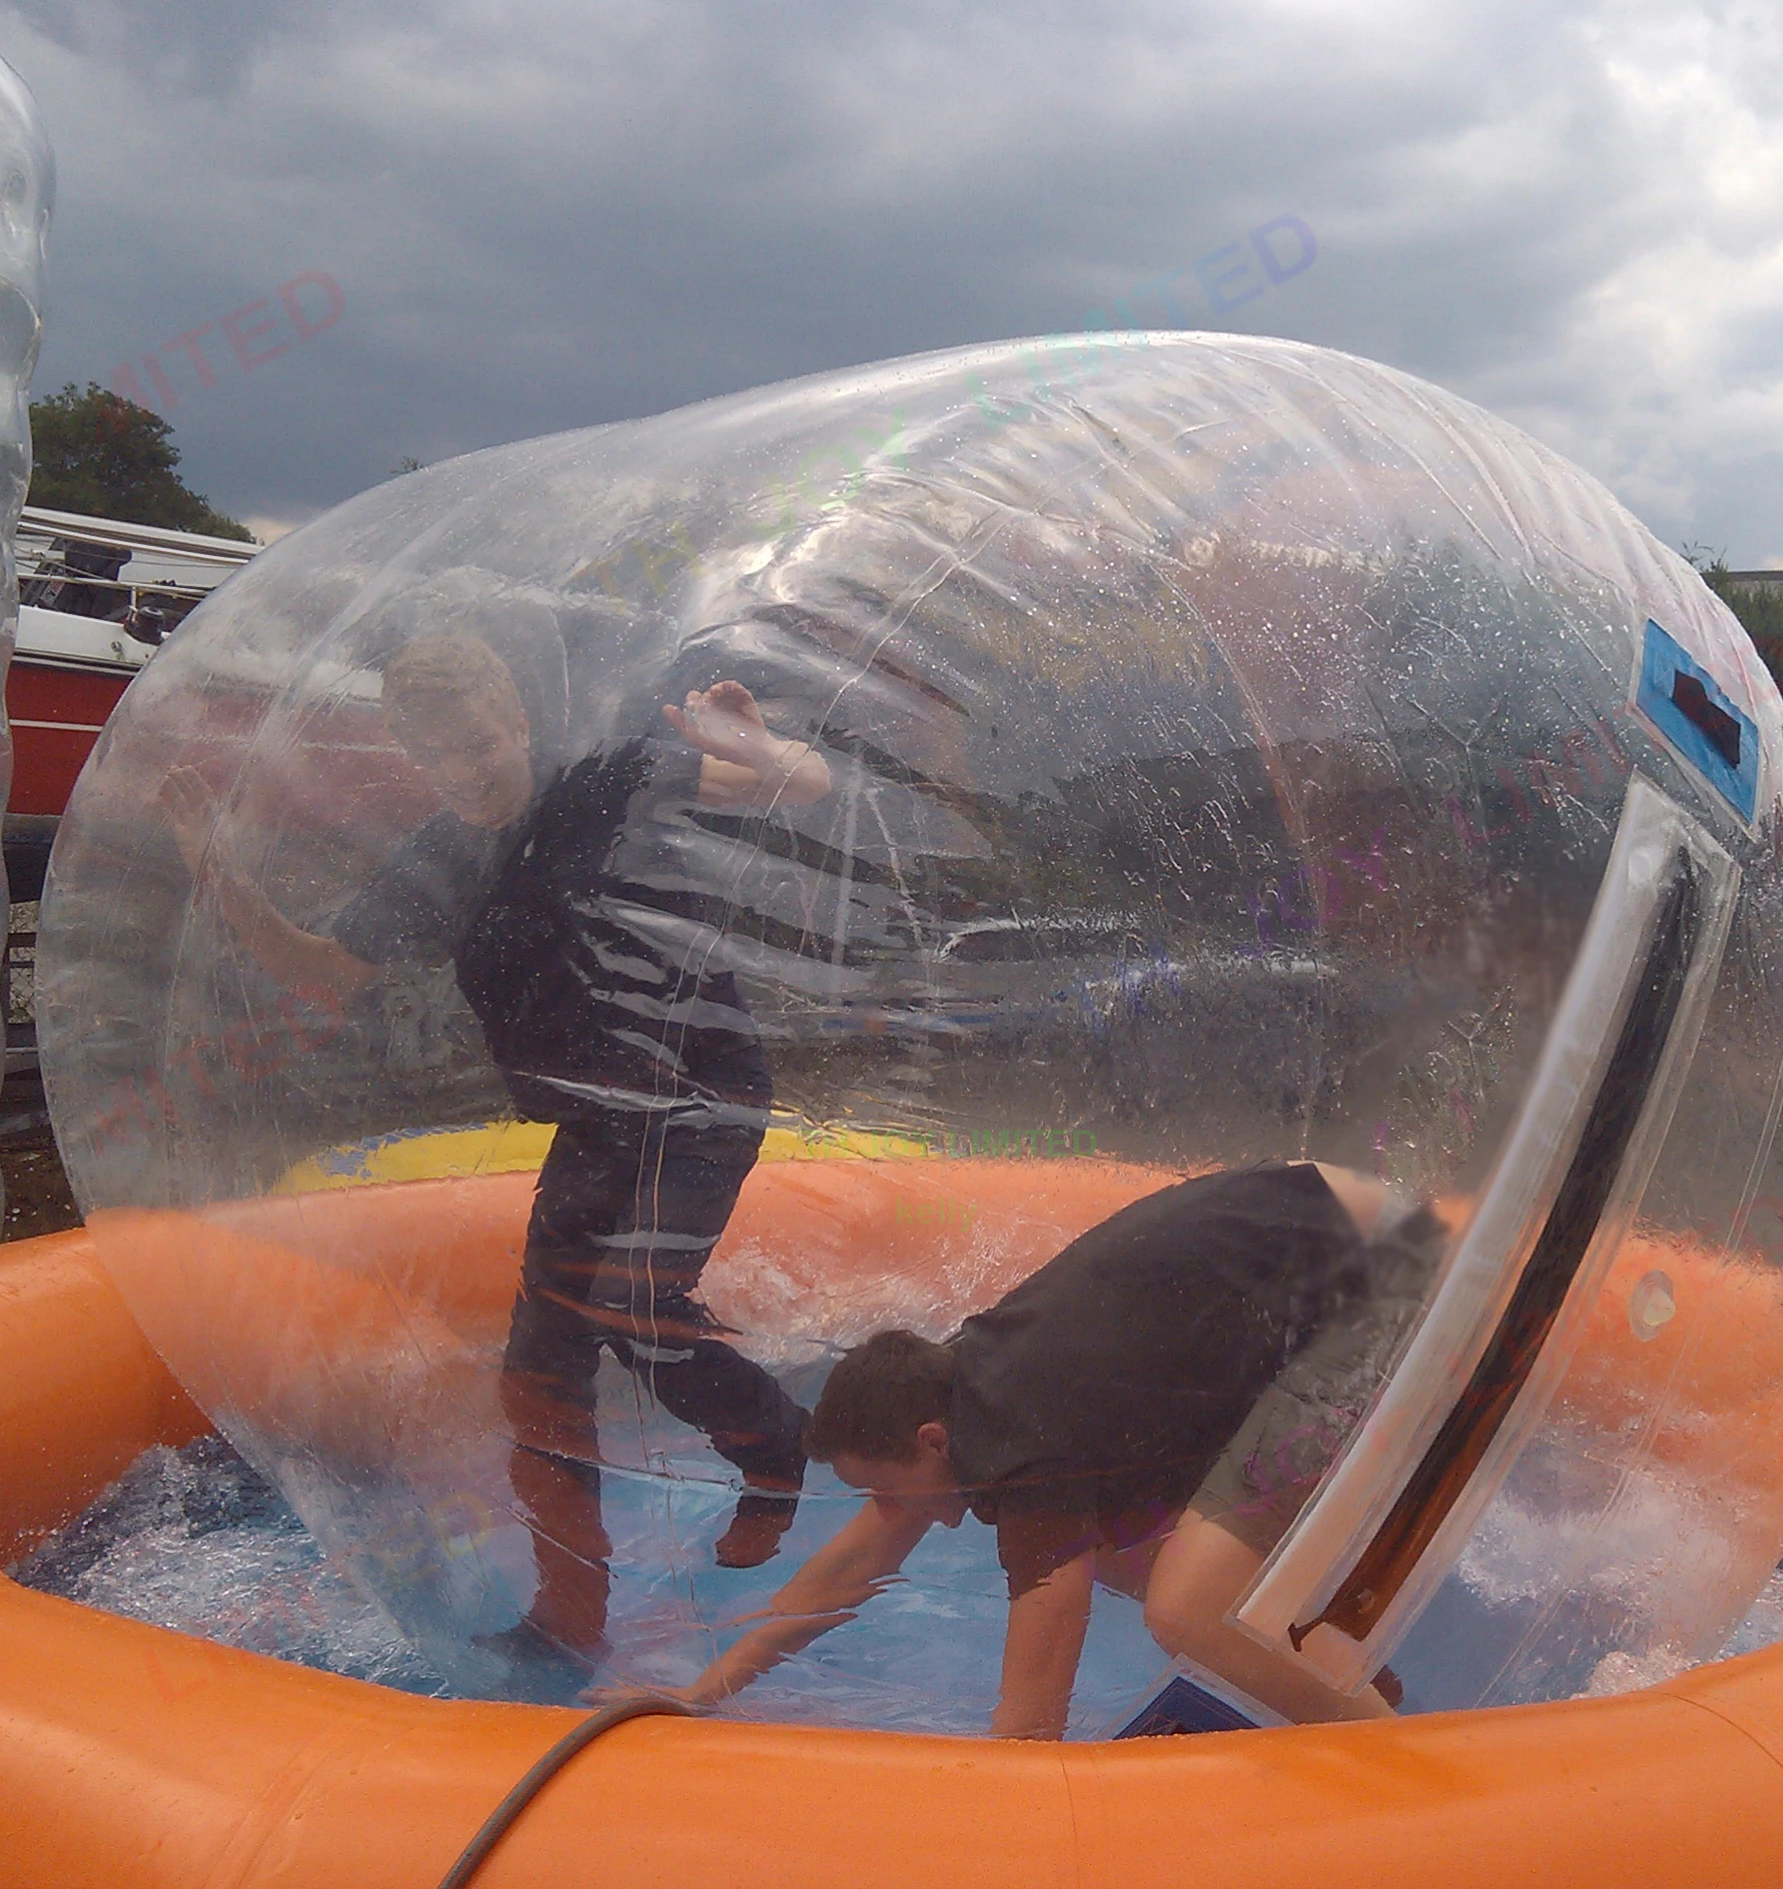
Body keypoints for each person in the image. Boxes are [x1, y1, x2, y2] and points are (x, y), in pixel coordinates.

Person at [159, 632, 836, 1691]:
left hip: (700, 1098)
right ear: (416, 758)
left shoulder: (606, 779)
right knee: (538, 1373)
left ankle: (773, 1443)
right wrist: (212, 859)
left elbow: (802, 785)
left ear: (517, 723)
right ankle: (570, 1623)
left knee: (633, 1305)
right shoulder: (438, 858)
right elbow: (318, 973)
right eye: (441, 755)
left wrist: (749, 738)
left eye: (481, 742)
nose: (469, 770)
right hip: (596, 1123)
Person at [616, 1160, 1443, 1738]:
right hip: (1327, 1256)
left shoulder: (1019, 1435)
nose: (905, 1519)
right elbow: (844, 1571)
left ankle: (1389, 1759)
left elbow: (1032, 1710)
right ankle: (1336, 1678)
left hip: (1389, 1274)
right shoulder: (950, 1389)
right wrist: (701, 1691)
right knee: (1138, 1557)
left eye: (893, 1492)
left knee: (1184, 1606)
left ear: (930, 1442)